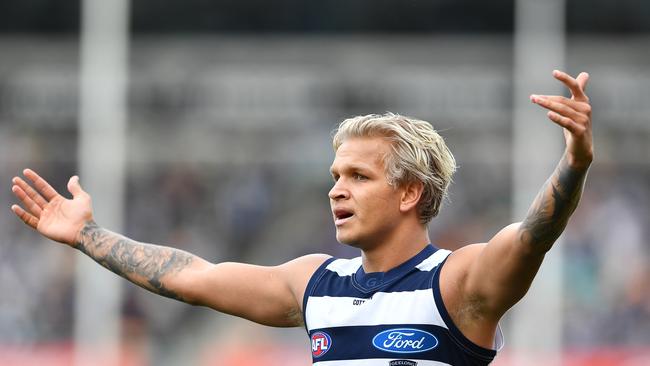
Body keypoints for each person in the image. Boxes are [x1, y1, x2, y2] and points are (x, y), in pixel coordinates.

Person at [10, 70, 592, 365]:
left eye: (358, 177)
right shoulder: (315, 283)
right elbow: (192, 276)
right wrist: (86, 235)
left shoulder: (459, 283)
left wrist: (574, 162)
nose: (337, 190)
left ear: (411, 193)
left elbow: (535, 234)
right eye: (335, 176)